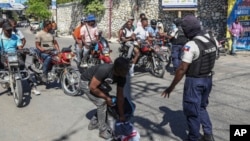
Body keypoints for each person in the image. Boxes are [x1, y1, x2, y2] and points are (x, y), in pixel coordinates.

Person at [162, 15, 217, 141]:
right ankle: (208, 135)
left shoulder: (191, 45)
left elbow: (182, 69)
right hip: (208, 79)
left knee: (192, 111)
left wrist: (171, 87)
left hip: (194, 81)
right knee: (202, 107)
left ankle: (194, 137)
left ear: (188, 31)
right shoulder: (211, 38)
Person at [80, 57, 129, 139]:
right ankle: (102, 130)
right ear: (118, 69)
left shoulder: (122, 77)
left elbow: (120, 97)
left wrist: (121, 115)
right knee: (101, 102)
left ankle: (94, 123)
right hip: (86, 82)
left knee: (111, 101)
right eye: (125, 70)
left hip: (99, 84)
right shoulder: (105, 70)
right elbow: (92, 87)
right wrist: (106, 98)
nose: (127, 72)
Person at [9, 19, 40, 95]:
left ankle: (32, 87)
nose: (14, 25)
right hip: (5, 55)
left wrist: (21, 49)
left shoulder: (16, 32)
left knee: (23, 68)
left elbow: (23, 41)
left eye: (15, 24)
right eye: (13, 24)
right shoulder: (2, 34)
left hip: (16, 53)